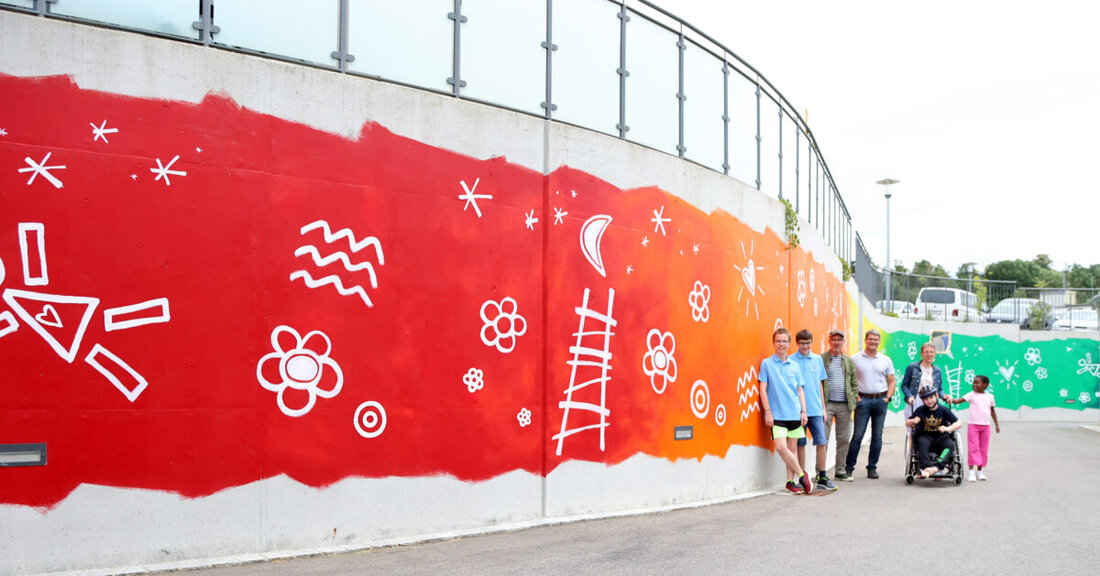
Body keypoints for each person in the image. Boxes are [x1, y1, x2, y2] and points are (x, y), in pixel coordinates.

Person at [758, 327, 813, 494]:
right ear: (773, 343)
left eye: (784, 341)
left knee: (792, 449)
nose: (781, 344)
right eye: (778, 341)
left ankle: (790, 482)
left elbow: (800, 390)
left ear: (789, 344)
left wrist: (804, 411)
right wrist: (767, 411)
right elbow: (762, 389)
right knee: (782, 448)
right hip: (777, 415)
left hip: (794, 413)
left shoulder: (794, 366)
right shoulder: (767, 364)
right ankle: (802, 475)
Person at [844, 329, 896, 479]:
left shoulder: (885, 360)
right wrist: (857, 397)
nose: (873, 342)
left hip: (881, 400)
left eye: (876, 339)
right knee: (858, 435)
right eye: (870, 339)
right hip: (863, 401)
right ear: (866, 340)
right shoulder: (855, 359)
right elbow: (849, 380)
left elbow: (891, 381)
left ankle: (872, 468)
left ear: (879, 342)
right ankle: (849, 468)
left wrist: (888, 398)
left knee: (877, 436)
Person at [791, 329, 835, 491]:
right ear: (797, 343)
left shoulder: (817, 359)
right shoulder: (791, 360)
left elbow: (819, 385)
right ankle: (802, 477)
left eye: (808, 343)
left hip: (816, 410)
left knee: (821, 442)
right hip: (798, 411)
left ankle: (822, 476)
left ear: (811, 342)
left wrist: (823, 408)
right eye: (802, 343)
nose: (805, 346)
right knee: (800, 443)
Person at [947, 374, 999, 481]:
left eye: (977, 382)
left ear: (985, 385)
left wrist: (996, 424)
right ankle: (971, 472)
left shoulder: (990, 397)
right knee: (973, 448)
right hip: (973, 426)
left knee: (983, 449)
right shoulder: (971, 395)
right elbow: (957, 401)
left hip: (986, 427)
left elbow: (992, 411)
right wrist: (950, 398)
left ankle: (980, 472)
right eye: (973, 382)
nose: (974, 384)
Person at [822, 329, 858, 482]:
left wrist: (854, 398)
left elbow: (854, 383)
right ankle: (821, 471)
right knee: (823, 438)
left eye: (839, 340)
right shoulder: (822, 359)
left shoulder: (849, 361)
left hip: (845, 405)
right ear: (829, 341)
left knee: (843, 439)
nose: (836, 342)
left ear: (844, 342)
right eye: (833, 339)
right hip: (826, 404)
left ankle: (840, 470)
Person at [905, 387, 962, 478]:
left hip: (942, 437)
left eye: (931, 398)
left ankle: (936, 468)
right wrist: (914, 421)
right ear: (922, 400)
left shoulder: (943, 410)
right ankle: (926, 468)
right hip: (925, 436)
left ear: (937, 396)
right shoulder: (920, 410)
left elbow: (959, 423)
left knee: (949, 445)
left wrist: (948, 428)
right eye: (926, 399)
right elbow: (907, 423)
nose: (929, 401)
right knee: (922, 443)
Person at [901, 342, 948, 418]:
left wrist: (945, 396)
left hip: (931, 402)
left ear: (935, 354)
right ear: (921, 354)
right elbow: (904, 385)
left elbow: (939, 389)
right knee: (914, 427)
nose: (929, 354)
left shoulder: (937, 370)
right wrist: (909, 396)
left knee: (929, 427)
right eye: (926, 352)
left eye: (931, 352)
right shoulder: (912, 367)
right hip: (915, 401)